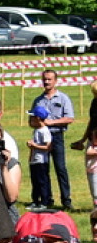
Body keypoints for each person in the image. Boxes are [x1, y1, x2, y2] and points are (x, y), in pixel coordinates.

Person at [32, 69, 75, 210]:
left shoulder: (63, 98)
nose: (47, 82)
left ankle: (66, 200)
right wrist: (38, 124)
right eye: (44, 79)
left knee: (60, 168)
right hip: (41, 137)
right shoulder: (38, 100)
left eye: (50, 79)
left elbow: (70, 118)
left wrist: (51, 122)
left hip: (56, 136)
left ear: (56, 81)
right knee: (43, 169)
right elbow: (31, 121)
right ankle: (46, 198)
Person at [26, 105, 53, 209]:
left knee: (42, 181)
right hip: (34, 160)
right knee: (35, 181)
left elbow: (48, 147)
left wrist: (34, 145)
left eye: (32, 117)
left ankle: (44, 202)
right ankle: (35, 201)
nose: (30, 120)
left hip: (41, 161)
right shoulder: (37, 130)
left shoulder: (44, 131)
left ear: (37, 118)